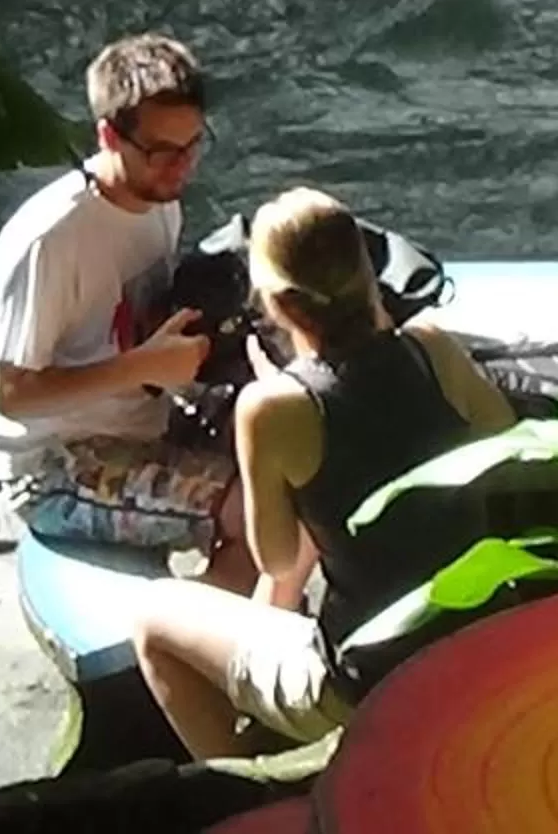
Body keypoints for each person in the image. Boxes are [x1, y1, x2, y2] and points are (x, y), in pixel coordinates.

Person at [131, 188, 519, 760]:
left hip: (369, 683)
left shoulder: (273, 408)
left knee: (153, 619)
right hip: (479, 645)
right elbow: (507, 440)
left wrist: (268, 406)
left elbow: (278, 557)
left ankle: (240, 790)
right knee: (325, 499)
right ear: (368, 273)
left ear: (279, 307)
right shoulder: (432, 348)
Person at [0, 33, 248, 589]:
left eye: (194, 144)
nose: (182, 168)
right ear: (108, 135)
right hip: (54, 466)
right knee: (254, 510)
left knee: (299, 454)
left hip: (146, 415)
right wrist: (144, 369)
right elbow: (10, 397)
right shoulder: (49, 240)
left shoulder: (159, 201)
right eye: (161, 151)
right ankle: (196, 654)